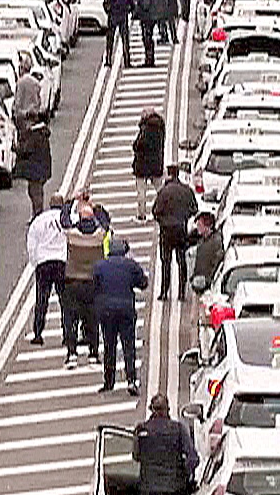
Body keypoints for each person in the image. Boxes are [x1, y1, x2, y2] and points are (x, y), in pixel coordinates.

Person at [93, 237, 147, 395]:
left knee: (109, 346)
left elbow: (94, 286)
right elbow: (143, 283)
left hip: (107, 311)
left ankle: (108, 381)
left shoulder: (100, 266)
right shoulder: (130, 265)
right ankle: (131, 379)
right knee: (128, 345)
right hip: (126, 309)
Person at [61, 199, 111, 368]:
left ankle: (72, 353)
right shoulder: (99, 236)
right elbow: (106, 221)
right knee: (92, 319)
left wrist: (71, 202)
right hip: (92, 283)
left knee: (71, 319)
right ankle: (94, 353)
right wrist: (97, 207)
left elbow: (64, 219)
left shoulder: (73, 235)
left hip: (72, 281)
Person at [26, 194, 68, 345]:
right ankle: (67, 334)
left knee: (42, 299)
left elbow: (31, 243)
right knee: (65, 301)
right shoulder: (67, 219)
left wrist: (35, 262)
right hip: (61, 262)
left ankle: (38, 333)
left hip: (43, 263)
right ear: (62, 205)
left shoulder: (39, 221)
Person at [151, 165, 197, 298]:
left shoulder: (163, 192)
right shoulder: (186, 190)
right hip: (181, 229)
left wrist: (162, 221)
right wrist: (184, 216)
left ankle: (164, 291)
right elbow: (194, 209)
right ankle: (182, 292)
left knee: (166, 262)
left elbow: (155, 211)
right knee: (181, 261)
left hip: (166, 231)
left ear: (169, 175)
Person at [12, 120, 52, 218]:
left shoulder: (35, 136)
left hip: (36, 171)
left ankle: (37, 215)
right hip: (41, 169)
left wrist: (15, 149)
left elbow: (26, 150)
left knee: (35, 192)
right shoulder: (42, 134)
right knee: (35, 191)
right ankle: (36, 214)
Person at [131, 111, 166, 212]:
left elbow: (138, 145)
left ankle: (141, 213)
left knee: (141, 191)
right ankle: (164, 207)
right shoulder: (160, 127)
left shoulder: (146, 130)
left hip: (142, 165)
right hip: (156, 164)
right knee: (159, 188)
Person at [189, 211, 224, 294]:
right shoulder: (203, 239)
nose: (197, 227)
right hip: (199, 283)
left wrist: (207, 280)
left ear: (208, 226)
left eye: (200, 225)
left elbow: (216, 264)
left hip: (206, 287)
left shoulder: (216, 242)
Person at [103, 0, 134, 67]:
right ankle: (127, 61)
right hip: (123, 17)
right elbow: (132, 6)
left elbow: (106, 5)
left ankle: (108, 59)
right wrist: (128, 10)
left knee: (110, 40)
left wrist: (109, 11)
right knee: (125, 39)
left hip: (113, 17)